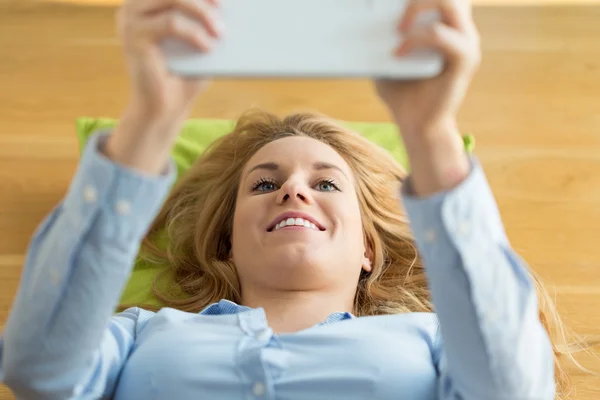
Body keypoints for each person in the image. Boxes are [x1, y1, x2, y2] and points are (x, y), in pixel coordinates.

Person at [0, 0, 580, 399]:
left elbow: (510, 386)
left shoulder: (432, 338)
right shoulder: (142, 333)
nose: (293, 189)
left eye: (326, 184)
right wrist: (153, 116)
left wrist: (431, 132)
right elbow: (39, 372)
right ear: (226, 241)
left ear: (368, 251)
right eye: (263, 184)